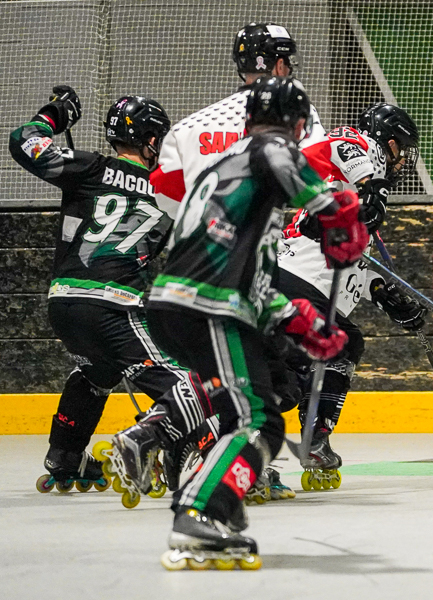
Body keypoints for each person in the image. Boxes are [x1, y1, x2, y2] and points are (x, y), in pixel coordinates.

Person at [143, 76, 368, 570]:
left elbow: (251, 271)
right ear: (300, 124)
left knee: (241, 416)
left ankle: (212, 503)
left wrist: (298, 320)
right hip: (206, 306)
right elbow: (288, 163)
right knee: (258, 422)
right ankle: (201, 512)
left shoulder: (230, 175)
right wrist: (334, 211)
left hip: (182, 304)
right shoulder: (268, 150)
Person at [149, 21, 327, 500]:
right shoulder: (296, 120)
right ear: (276, 63)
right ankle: (211, 497)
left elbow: (166, 194)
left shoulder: (188, 128)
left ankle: (159, 439)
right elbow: (315, 189)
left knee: (230, 382)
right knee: (266, 387)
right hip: (239, 283)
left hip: (181, 276)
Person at [8, 88, 212, 494]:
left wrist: (56, 114)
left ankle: (66, 457)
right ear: (153, 141)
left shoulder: (87, 167)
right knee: (190, 383)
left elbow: (23, 141)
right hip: (113, 305)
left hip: (63, 303)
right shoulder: (169, 193)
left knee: (97, 371)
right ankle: (171, 450)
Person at [277, 103, 426, 481]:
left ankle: (213, 440)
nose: (401, 163)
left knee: (285, 379)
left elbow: (349, 264)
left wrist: (383, 295)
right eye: (402, 152)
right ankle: (313, 438)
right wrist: (372, 184)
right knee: (335, 348)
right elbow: (340, 142)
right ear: (390, 144)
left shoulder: (349, 192)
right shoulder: (363, 151)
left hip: (297, 283)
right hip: (293, 279)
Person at [150, 21, 325, 217]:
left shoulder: (187, 128)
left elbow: (165, 194)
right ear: (279, 66)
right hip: (270, 240)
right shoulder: (296, 113)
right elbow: (316, 167)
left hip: (201, 241)